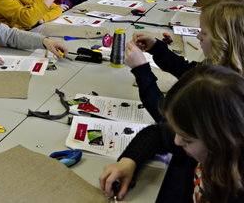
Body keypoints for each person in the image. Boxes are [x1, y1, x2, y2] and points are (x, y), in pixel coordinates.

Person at [99, 65, 244, 203]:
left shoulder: (233, 194)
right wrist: (129, 161)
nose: (177, 141)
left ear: (220, 142)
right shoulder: (213, 146)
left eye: (187, 140)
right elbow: (157, 134)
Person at [125, 0, 244, 121]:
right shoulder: (222, 66)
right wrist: (156, 48)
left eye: (204, 33)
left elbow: (169, 121)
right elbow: (187, 71)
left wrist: (141, 71)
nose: (198, 37)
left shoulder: (222, 91)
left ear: (224, 41)